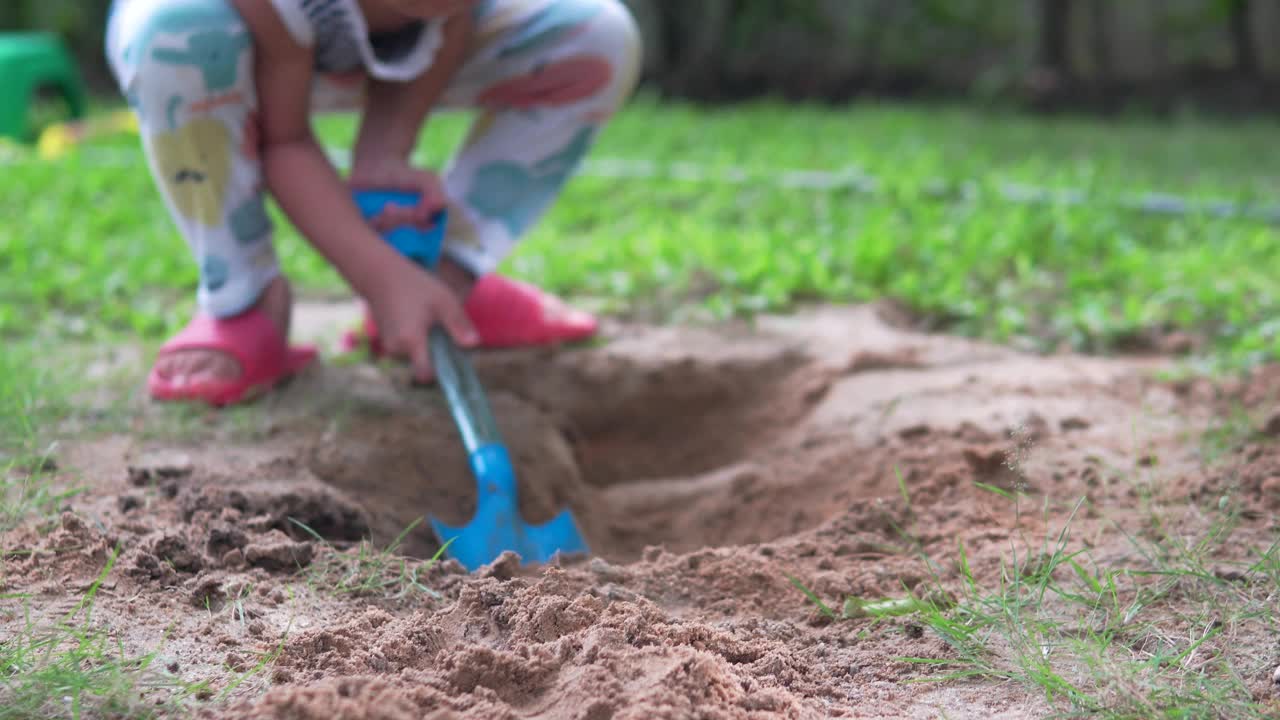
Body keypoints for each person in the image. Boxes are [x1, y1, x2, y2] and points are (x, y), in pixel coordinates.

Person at [104, 0, 642, 405]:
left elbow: (450, 23)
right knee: (174, 32)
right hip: (226, 38)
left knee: (596, 35)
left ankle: (443, 281)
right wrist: (377, 274)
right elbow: (284, 141)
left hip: (353, 56)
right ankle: (244, 301)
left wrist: (384, 154)